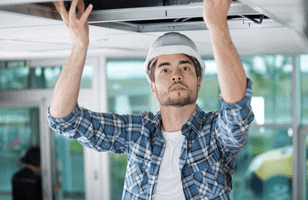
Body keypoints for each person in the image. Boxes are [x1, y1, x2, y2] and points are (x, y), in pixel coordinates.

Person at [48, 0, 254, 199]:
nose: (176, 75)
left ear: (198, 82)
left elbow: (237, 112)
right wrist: (79, 46)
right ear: (152, 87)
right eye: (165, 69)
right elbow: (64, 118)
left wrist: (217, 26)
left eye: (185, 67)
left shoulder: (215, 135)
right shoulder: (138, 133)